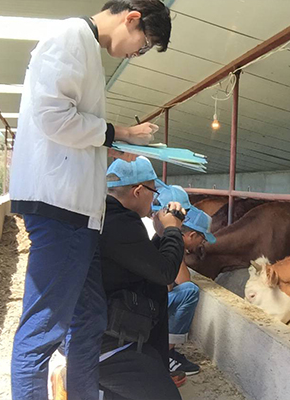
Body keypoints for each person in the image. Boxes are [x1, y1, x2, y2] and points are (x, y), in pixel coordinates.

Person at [9, 1, 172, 399]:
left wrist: (106, 145)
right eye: (143, 45)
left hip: (78, 212)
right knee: (43, 330)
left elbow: (69, 130)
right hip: (60, 208)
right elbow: (54, 117)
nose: (136, 53)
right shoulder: (68, 38)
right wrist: (118, 133)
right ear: (131, 18)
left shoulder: (85, 48)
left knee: (89, 320)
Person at [98, 156, 184, 399]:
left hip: (108, 332)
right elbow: (165, 272)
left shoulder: (106, 215)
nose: (154, 199)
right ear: (138, 191)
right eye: (153, 191)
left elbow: (143, 263)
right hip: (110, 344)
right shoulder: (120, 222)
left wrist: (160, 236)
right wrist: (173, 230)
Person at [151, 186, 217, 376]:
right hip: (148, 307)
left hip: (140, 302)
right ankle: (167, 353)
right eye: (201, 239)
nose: (201, 245)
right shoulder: (173, 242)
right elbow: (183, 280)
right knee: (189, 291)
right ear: (191, 235)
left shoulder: (159, 235)